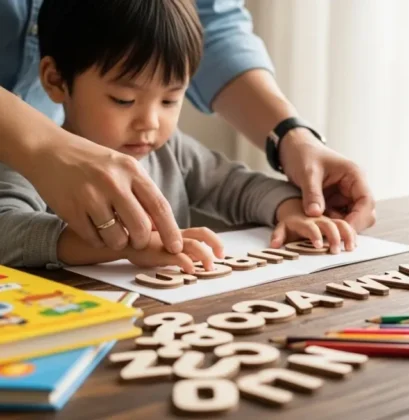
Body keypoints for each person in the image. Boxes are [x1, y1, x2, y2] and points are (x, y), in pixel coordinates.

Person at [0, 0, 357, 273]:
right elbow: (7, 234)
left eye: (171, 99)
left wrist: (292, 210)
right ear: (56, 80)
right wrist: (121, 246)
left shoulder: (172, 152)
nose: (150, 122)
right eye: (123, 100)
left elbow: (239, 186)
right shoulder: (31, 163)